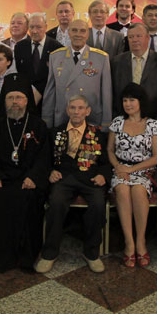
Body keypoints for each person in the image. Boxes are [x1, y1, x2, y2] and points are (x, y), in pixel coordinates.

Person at [0, 88, 50, 273]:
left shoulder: (38, 125)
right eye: (10, 98)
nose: (15, 101)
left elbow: (44, 158)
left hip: (28, 180)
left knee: (27, 198)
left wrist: (33, 177)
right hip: (3, 178)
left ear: (26, 101)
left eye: (19, 97)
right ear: (4, 102)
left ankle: (24, 256)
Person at [35, 95, 112, 274]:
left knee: (98, 204)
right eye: (73, 108)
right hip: (63, 179)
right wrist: (50, 171)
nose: (76, 112)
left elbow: (106, 162)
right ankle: (49, 253)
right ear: (67, 110)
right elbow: (44, 159)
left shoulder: (98, 134)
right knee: (56, 203)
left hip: (90, 179)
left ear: (88, 111)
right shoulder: (55, 132)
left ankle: (92, 253)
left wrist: (103, 175)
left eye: (80, 108)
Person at [107, 83, 157, 268]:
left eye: (132, 100)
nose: (128, 104)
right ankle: (129, 242)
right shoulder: (117, 122)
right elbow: (110, 150)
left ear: (141, 102)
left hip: (145, 170)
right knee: (122, 190)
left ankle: (141, 241)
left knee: (138, 191)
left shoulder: (153, 124)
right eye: (125, 100)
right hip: (120, 168)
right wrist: (118, 167)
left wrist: (131, 170)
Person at [42, 19, 112, 129]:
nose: (78, 34)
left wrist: (106, 123)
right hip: (63, 118)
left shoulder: (101, 58)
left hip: (91, 118)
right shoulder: (55, 56)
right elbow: (50, 92)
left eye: (82, 31)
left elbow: (106, 94)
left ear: (88, 34)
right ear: (69, 33)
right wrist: (47, 121)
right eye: (74, 30)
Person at [110, 23, 157, 130]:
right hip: (123, 124)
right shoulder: (116, 62)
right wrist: (118, 120)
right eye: (131, 37)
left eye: (138, 36)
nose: (134, 40)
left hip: (155, 123)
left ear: (147, 38)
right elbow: (112, 94)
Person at [13, 13, 62, 108]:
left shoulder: (56, 47)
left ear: (46, 27)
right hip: (26, 99)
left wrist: (39, 91)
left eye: (39, 27)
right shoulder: (20, 46)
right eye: (31, 27)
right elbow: (19, 73)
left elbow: (57, 77)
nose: (34, 31)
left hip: (49, 99)